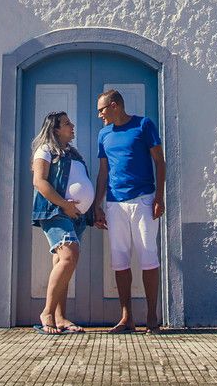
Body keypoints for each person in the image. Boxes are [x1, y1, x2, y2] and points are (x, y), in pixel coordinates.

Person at [94, 90, 165, 334]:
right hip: (115, 204)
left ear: (114, 105)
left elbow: (160, 162)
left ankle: (152, 318)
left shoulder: (144, 125)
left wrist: (159, 198)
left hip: (144, 200)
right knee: (119, 260)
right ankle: (127, 319)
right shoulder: (103, 134)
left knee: (148, 257)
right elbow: (103, 171)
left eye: (102, 110)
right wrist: (97, 204)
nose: (99, 115)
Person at [31, 111, 95, 335]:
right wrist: (64, 205)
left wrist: (90, 210)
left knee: (63, 263)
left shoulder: (74, 154)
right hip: (55, 212)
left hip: (76, 216)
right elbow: (39, 181)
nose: (72, 126)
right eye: (67, 123)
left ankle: (60, 318)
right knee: (69, 256)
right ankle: (47, 313)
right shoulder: (45, 150)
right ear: (55, 129)